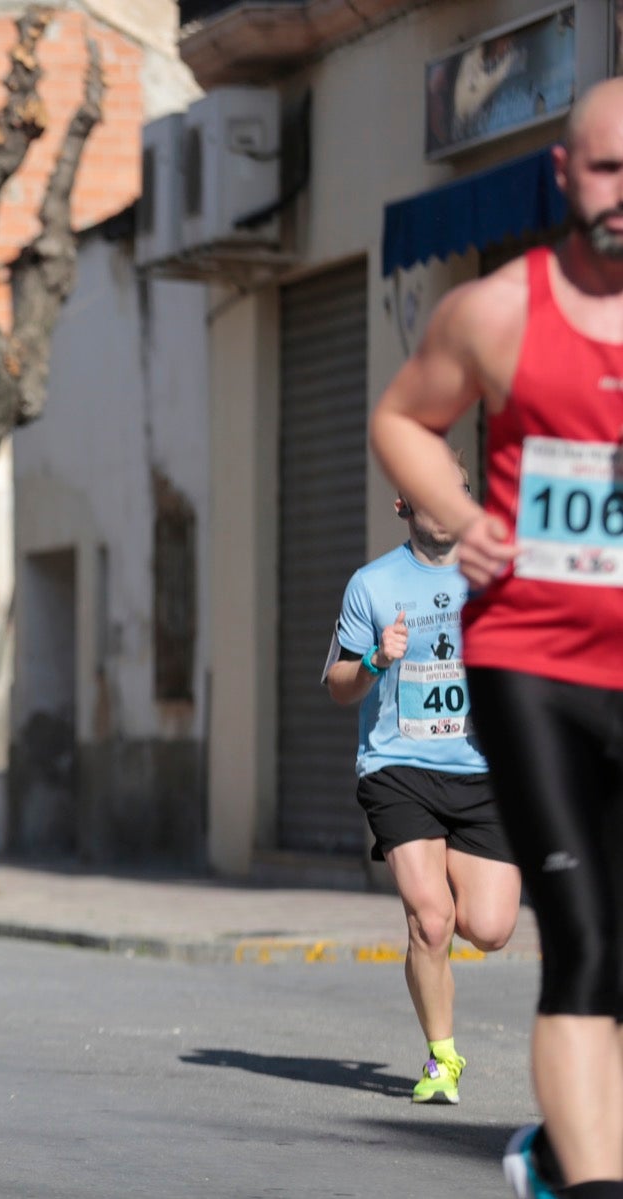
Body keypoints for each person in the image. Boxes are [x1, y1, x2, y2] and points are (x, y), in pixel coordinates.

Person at [368, 79, 623, 1199]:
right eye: (610, 169)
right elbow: (400, 416)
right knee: (587, 938)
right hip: (535, 662)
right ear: (567, 176)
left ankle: (567, 1151)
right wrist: (467, 521)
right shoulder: (500, 310)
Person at [322, 475, 520, 1105]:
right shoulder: (372, 585)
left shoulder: (498, 579)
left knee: (488, 929)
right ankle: (442, 1057)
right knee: (431, 922)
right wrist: (378, 660)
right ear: (404, 506)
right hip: (397, 767)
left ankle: (447, 921)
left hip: (483, 769)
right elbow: (338, 683)